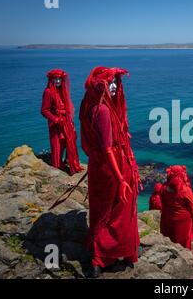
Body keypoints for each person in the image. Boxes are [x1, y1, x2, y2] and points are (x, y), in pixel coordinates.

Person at [80, 67, 142, 278]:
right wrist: (121, 178)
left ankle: (102, 254)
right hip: (113, 166)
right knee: (119, 211)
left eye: (116, 81)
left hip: (99, 166)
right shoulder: (104, 111)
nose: (114, 86)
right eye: (110, 82)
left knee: (102, 210)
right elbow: (107, 147)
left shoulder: (90, 104)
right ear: (100, 85)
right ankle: (111, 254)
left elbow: (99, 141)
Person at [41, 69, 83, 175]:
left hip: (66, 121)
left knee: (71, 140)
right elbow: (44, 110)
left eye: (59, 79)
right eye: (56, 79)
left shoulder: (62, 90)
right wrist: (55, 119)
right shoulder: (48, 92)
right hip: (56, 124)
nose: (58, 81)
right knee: (57, 145)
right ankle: (58, 166)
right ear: (51, 80)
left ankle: (70, 163)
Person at [159, 165, 193, 255]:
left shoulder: (164, 187)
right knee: (183, 242)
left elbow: (162, 200)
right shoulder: (185, 190)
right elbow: (192, 207)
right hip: (183, 221)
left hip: (168, 217)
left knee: (171, 238)